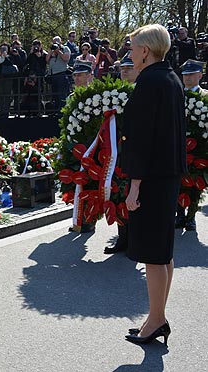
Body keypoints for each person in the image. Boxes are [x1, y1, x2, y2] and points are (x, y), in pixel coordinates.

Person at [121, 24, 186, 345]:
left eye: (133, 48)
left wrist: (134, 187)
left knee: (154, 255)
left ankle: (156, 320)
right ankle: (155, 317)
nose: (130, 53)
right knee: (163, 253)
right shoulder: (171, 78)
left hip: (151, 179)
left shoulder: (149, 82)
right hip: (168, 176)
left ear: (145, 51)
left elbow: (142, 141)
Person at [103, 53, 139, 255]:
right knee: (117, 193)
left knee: (134, 195)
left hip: (135, 151)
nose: (125, 72)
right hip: (116, 153)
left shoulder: (143, 91)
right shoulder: (113, 94)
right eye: (122, 69)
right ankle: (123, 237)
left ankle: (136, 239)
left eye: (129, 68)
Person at [175, 59, 207, 231]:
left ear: (200, 75)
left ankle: (191, 216)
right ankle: (179, 214)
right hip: (179, 145)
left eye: (191, 74)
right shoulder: (176, 94)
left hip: (200, 146)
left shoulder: (205, 96)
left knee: (196, 181)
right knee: (178, 181)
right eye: (185, 75)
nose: (187, 78)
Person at [45, 36, 71, 110]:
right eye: (54, 42)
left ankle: (62, 111)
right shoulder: (51, 50)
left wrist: (58, 51)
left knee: (62, 95)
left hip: (61, 74)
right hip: (52, 75)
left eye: (57, 42)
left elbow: (66, 58)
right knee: (54, 94)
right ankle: (56, 110)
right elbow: (47, 60)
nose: (55, 43)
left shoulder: (65, 48)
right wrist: (50, 51)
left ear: (60, 42)